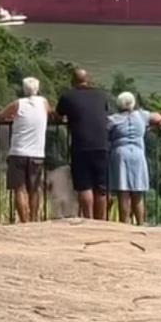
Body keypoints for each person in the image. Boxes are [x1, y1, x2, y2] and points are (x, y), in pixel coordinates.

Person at [55, 67, 112, 220]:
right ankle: (101, 222)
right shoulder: (102, 95)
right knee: (101, 188)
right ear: (88, 80)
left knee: (84, 186)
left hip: (81, 145)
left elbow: (57, 117)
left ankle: (88, 220)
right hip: (102, 144)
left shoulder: (67, 96)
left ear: (72, 81)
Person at [0, 76, 51, 223]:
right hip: (37, 153)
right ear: (37, 89)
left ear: (24, 89)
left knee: (19, 189)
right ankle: (33, 219)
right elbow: (51, 114)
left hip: (18, 152)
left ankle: (24, 222)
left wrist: (13, 120)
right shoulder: (44, 103)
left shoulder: (17, 104)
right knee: (34, 189)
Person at [108, 91, 161, 224]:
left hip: (120, 154)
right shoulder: (141, 115)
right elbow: (158, 117)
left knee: (123, 192)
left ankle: (125, 224)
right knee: (137, 192)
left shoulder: (113, 119)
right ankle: (140, 223)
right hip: (138, 154)